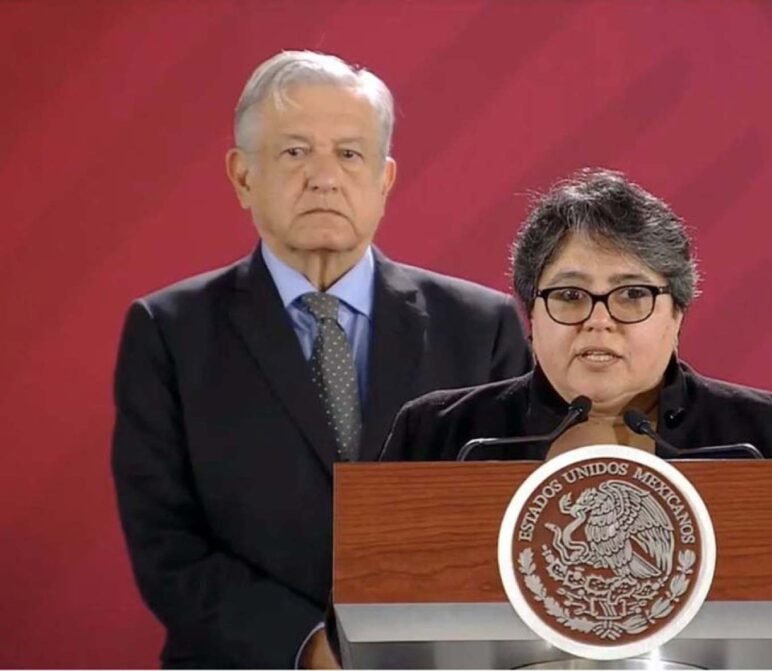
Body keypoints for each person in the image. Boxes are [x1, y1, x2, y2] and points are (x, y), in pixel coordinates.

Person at [111, 50, 531, 669]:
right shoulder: (170, 333)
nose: (324, 178)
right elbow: (165, 543)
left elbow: (518, 517)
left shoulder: (480, 327)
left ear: (384, 180)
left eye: (350, 154)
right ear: (243, 177)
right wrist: (308, 647)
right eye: (294, 152)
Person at [378, 168, 772, 653]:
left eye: (631, 294)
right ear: (531, 314)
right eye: (570, 294)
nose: (598, 321)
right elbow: (366, 601)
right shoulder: (444, 437)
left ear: (677, 314)